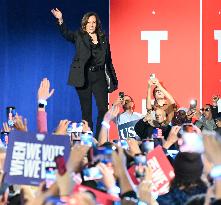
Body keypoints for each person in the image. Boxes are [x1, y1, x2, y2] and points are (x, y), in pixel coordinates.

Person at [51, 8, 118, 138]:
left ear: (97, 24)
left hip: (99, 76)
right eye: (89, 22)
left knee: (103, 109)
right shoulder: (79, 36)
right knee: (86, 111)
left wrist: (113, 79)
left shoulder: (103, 38)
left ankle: (100, 138)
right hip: (84, 76)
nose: (91, 25)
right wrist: (60, 19)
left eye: (94, 22)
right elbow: (66, 34)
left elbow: (108, 60)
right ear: (84, 24)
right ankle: (88, 138)